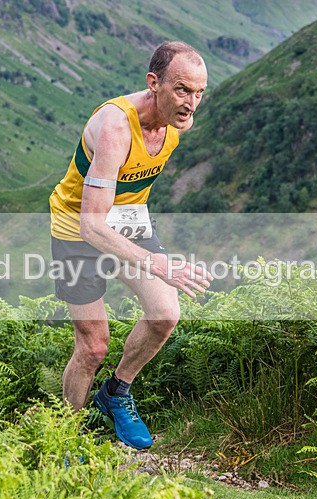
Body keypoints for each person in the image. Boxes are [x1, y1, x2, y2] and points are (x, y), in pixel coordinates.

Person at [49, 41, 212, 449]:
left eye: (199, 92)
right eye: (182, 90)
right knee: (92, 346)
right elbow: (91, 226)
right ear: (153, 83)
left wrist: (146, 255)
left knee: (164, 315)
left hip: (127, 219)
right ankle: (64, 439)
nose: (191, 104)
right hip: (78, 226)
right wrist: (156, 264)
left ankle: (115, 393)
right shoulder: (116, 128)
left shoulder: (179, 119)